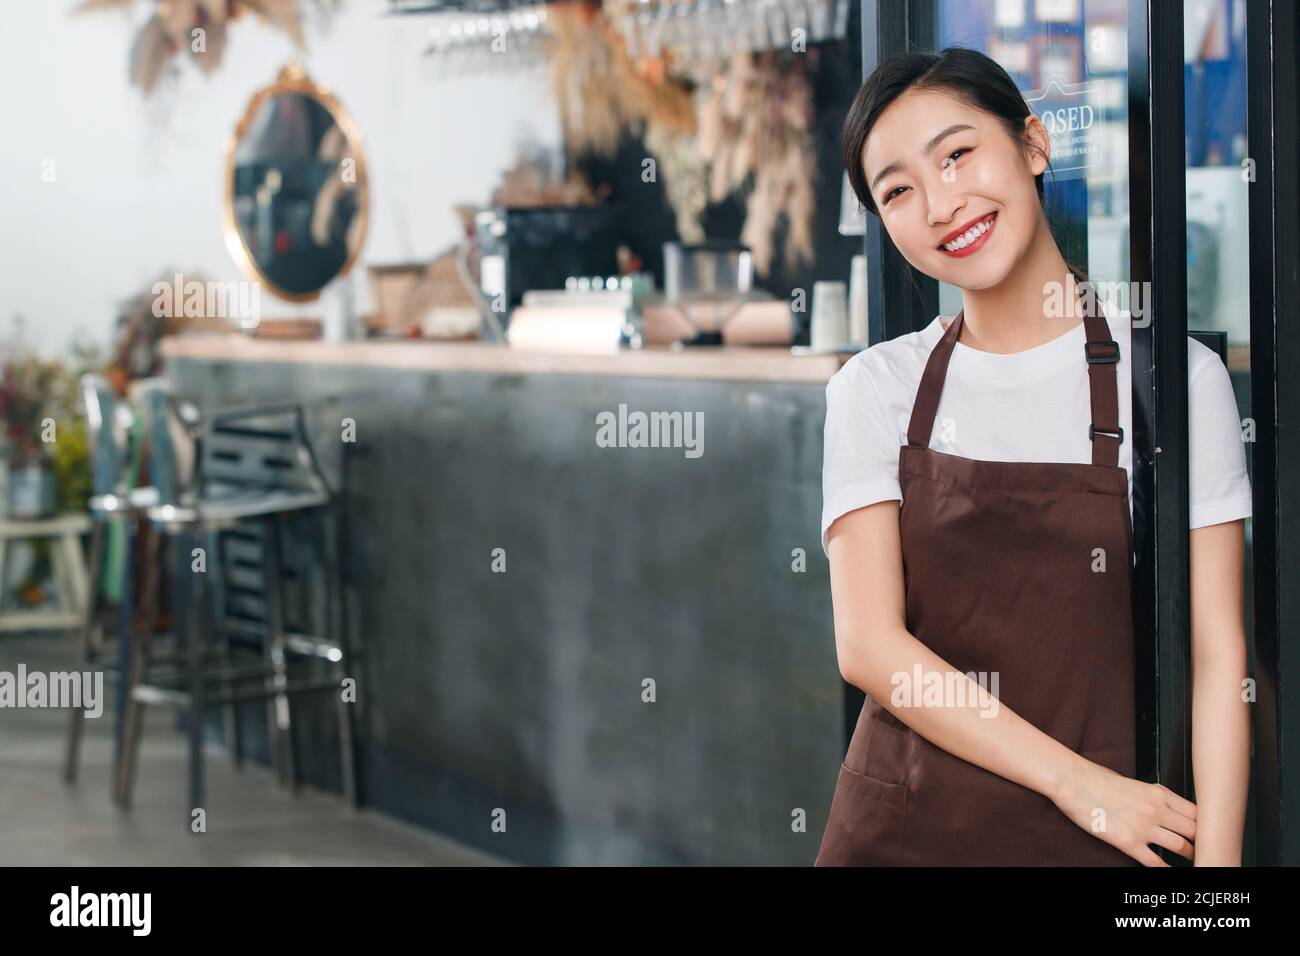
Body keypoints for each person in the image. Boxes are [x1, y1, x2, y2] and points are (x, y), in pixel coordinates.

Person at [815, 47, 1252, 866]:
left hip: (1110, 842)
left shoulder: (1175, 380)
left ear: (1034, 144)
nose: (942, 203)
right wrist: (1076, 784)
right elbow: (870, 646)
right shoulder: (875, 388)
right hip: (906, 834)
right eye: (899, 190)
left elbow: (1219, 655)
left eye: (958, 154)